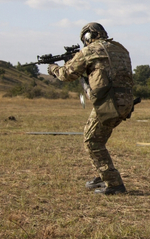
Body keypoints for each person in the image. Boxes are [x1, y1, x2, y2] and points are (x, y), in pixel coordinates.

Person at [48, 22, 135, 195]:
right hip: (126, 101)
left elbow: (66, 75)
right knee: (98, 140)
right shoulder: (120, 49)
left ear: (88, 36)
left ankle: (113, 183)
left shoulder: (89, 51)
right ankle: (103, 175)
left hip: (108, 103)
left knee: (92, 141)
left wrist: (53, 69)